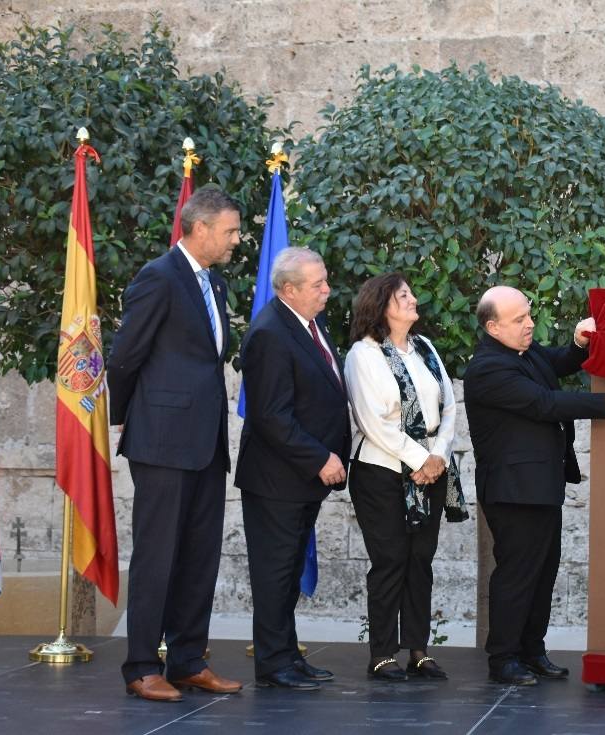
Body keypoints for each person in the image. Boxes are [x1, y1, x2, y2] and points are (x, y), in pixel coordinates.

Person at [463, 285, 605, 686]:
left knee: (543, 571)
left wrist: (579, 345)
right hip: (513, 490)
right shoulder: (488, 368)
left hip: (540, 485)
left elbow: (556, 364)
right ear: (493, 327)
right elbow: (544, 402)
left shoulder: (521, 351)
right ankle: (504, 659)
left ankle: (532, 651)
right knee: (516, 574)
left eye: (529, 315)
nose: (529, 325)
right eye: (519, 320)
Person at [108, 187, 243, 702]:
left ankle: (188, 659)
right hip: (162, 442)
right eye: (229, 230)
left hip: (206, 443)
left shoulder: (216, 282)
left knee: (199, 555)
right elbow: (125, 358)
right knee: (158, 556)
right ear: (200, 227)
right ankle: (142, 666)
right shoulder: (157, 277)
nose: (235, 239)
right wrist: (128, 420)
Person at [235, 247, 349, 690]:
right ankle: (273, 663)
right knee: (275, 573)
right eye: (317, 284)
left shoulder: (309, 323)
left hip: (299, 480)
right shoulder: (269, 333)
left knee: (287, 574)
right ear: (288, 289)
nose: (327, 290)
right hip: (276, 480)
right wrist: (320, 457)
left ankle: (287, 655)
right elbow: (271, 415)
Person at [344, 272, 467, 682]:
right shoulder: (362, 355)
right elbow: (372, 422)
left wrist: (436, 457)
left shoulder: (426, 348)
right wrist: (420, 458)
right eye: (403, 295)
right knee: (390, 559)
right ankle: (381, 654)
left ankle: (418, 650)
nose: (414, 299)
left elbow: (448, 408)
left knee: (420, 560)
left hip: (430, 470)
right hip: (381, 470)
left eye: (412, 293)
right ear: (381, 306)